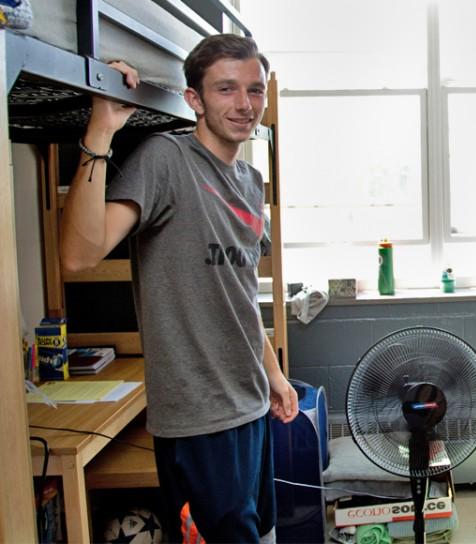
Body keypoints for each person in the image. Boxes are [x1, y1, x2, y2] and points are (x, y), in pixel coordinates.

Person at [59, 34, 298, 543]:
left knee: (260, 531)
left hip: (251, 404)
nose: (244, 105)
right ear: (194, 100)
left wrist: (274, 374)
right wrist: (101, 129)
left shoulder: (252, 182)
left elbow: (238, 296)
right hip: (198, 417)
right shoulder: (165, 160)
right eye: (226, 90)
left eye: (254, 91)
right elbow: (80, 255)